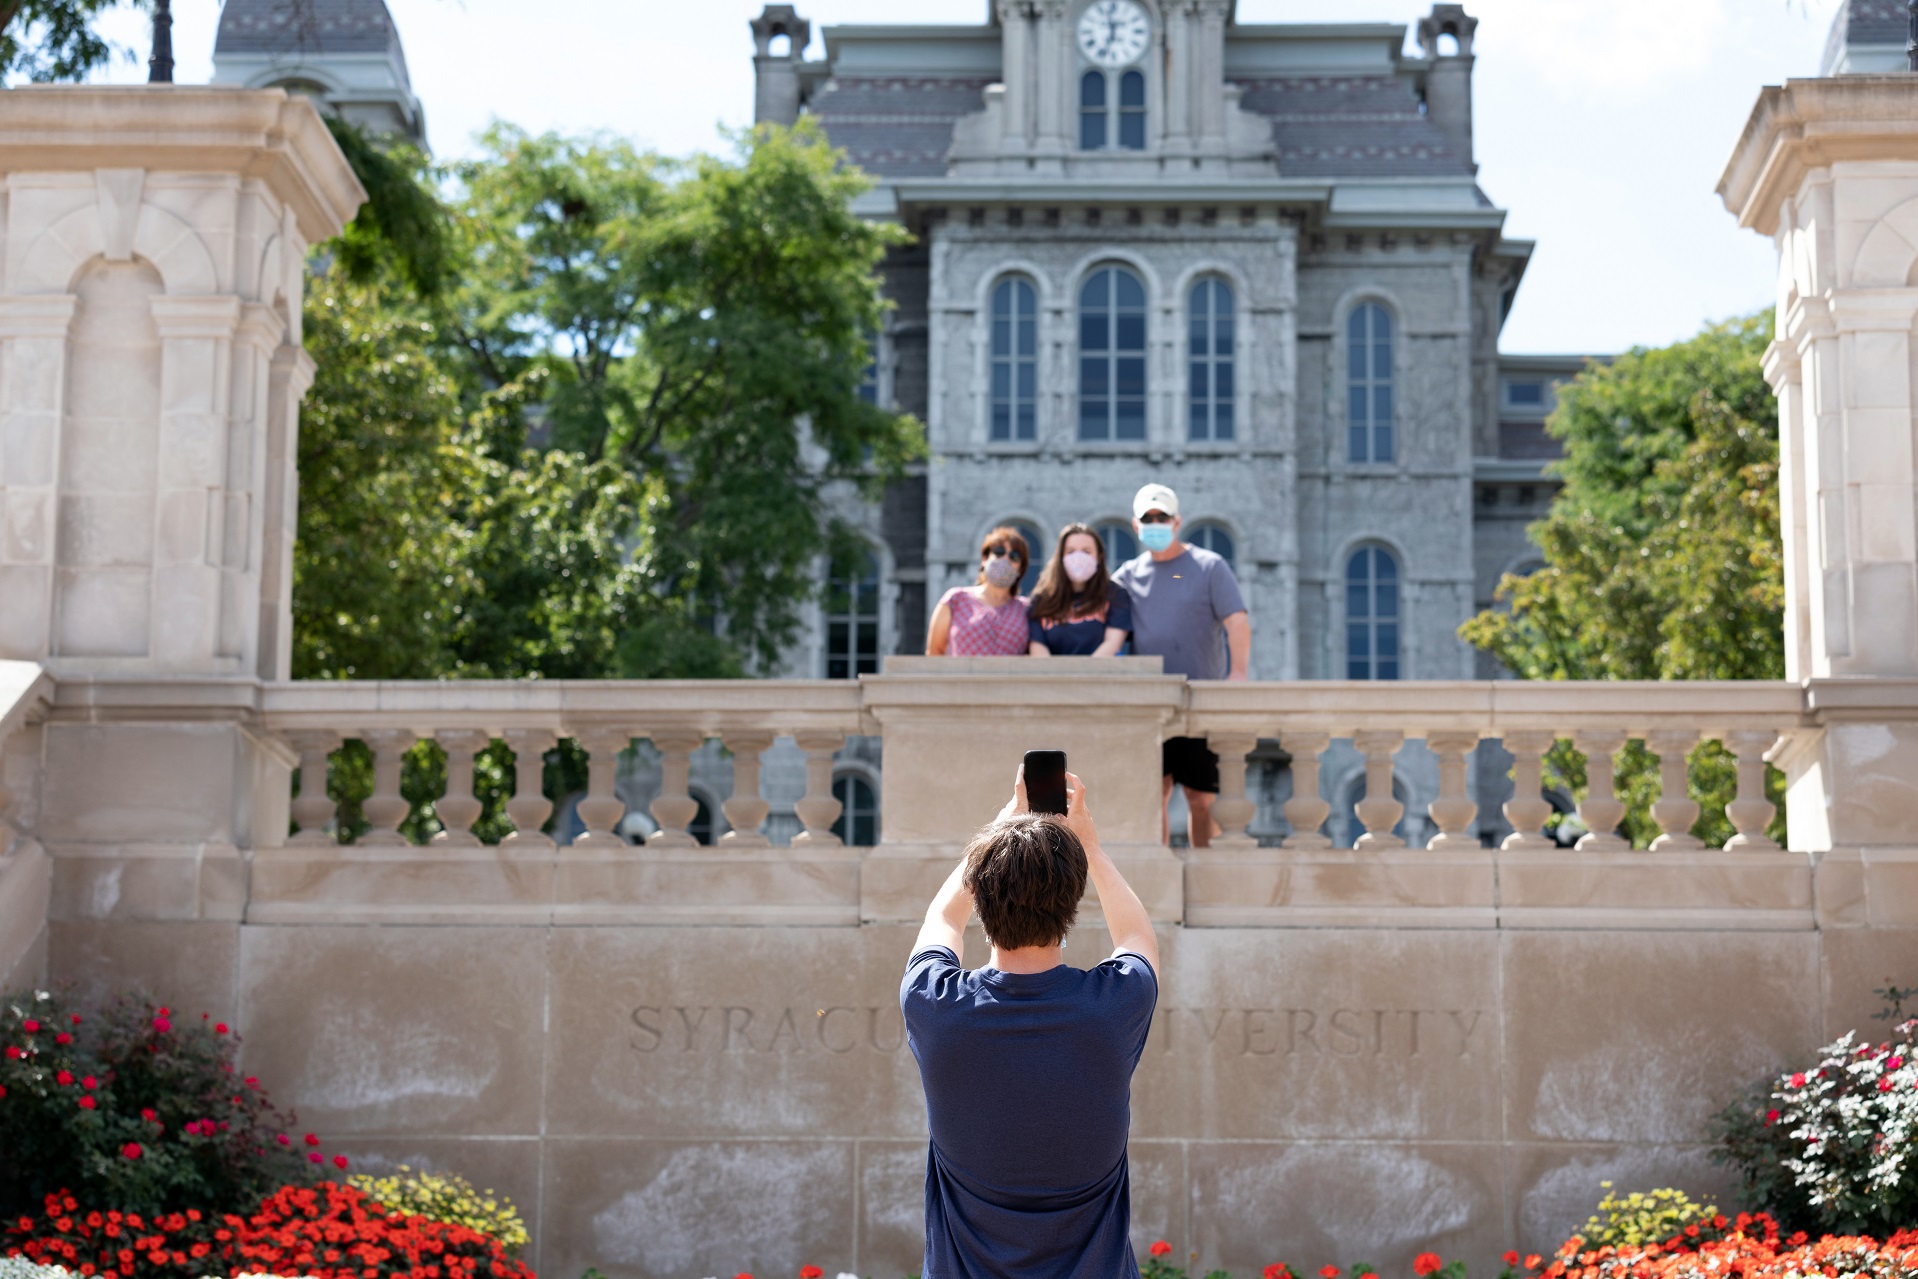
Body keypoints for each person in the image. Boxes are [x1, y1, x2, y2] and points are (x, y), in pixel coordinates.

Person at [902, 767, 1158, 1279]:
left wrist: (999, 830)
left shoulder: (935, 1005)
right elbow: (1137, 939)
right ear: (1071, 904)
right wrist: (1091, 847)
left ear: (980, 894)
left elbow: (943, 919)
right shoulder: (1112, 1006)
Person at [1111, 482, 1251, 848]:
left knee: (1201, 798)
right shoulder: (1126, 576)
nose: (1155, 523)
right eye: (1148, 518)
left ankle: (1206, 877)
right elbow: (1100, 623)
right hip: (1150, 706)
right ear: (1136, 524)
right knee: (1153, 795)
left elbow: (1237, 621)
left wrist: (1238, 674)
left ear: (1177, 521)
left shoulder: (1209, 566)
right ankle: (1161, 883)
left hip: (1199, 701)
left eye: (1162, 517)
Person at [1026, 522, 1131, 657]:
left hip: (1100, 675)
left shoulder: (1115, 594)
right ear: (1061, 557)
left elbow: (1113, 643)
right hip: (1053, 676)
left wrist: (1084, 676)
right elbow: (1038, 649)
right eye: (1071, 551)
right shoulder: (1041, 599)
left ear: (1098, 556)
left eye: (1086, 551)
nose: (1078, 557)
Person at [926, 526, 1033, 656]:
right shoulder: (955, 599)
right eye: (999, 552)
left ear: (1021, 569)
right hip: (962, 676)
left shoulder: (1027, 609)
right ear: (985, 558)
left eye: (1014, 556)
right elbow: (935, 652)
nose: (1005, 559)